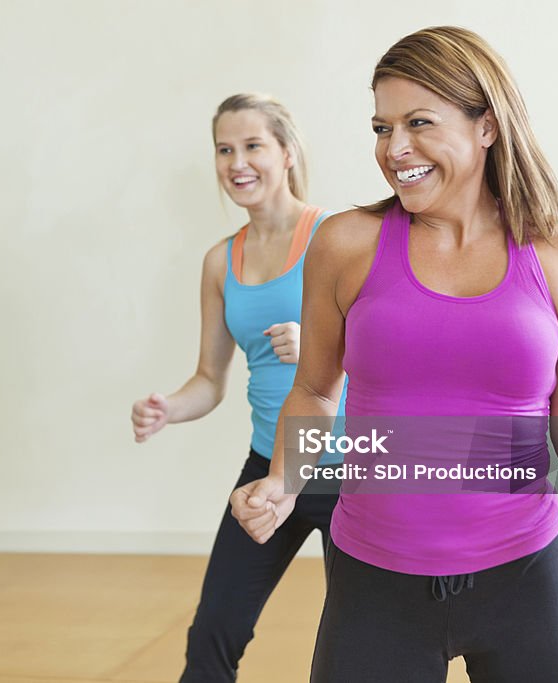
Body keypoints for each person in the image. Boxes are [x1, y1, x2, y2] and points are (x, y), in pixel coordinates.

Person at [229, 26, 558, 682]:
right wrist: (284, 479)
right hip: (373, 582)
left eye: (419, 122)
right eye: (381, 126)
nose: (395, 149)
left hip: (524, 577)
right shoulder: (346, 244)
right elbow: (312, 389)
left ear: (487, 126)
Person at [131, 93, 344, 682]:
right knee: (212, 635)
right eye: (224, 149)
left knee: (356, 650)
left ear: (287, 152)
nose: (236, 162)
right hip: (267, 466)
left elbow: (392, 349)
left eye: (252, 145)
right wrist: (168, 408)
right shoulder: (219, 262)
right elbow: (209, 379)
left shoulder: (336, 234)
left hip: (352, 465)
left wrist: (323, 347)